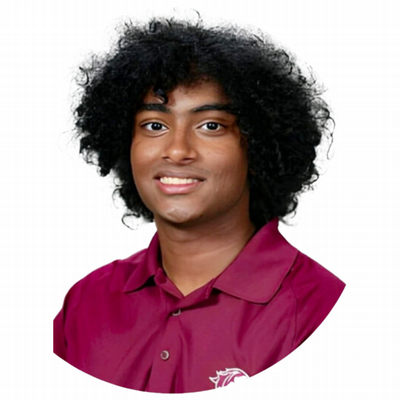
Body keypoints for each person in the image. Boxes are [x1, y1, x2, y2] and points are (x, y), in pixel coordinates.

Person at [53, 17, 345, 394]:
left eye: (211, 126)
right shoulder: (86, 303)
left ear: (258, 147)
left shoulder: (322, 310)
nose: (177, 151)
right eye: (154, 125)